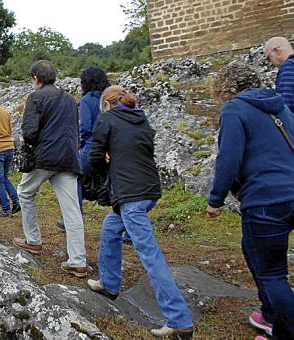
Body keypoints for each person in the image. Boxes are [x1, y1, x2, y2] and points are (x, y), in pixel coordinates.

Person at [86, 85, 193, 338]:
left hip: (130, 195)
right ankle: (109, 283)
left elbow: (93, 158)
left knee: (150, 254)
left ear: (107, 104)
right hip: (149, 191)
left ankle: (179, 319)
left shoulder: (107, 118)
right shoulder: (141, 119)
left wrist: (106, 160)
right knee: (111, 228)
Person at [206, 62, 294, 340]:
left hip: (266, 200)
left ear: (225, 87)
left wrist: (215, 199)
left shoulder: (234, 109)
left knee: (272, 273)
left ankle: (283, 331)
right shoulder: (280, 106)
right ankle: (270, 313)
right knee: (251, 248)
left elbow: (229, 159)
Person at [11, 60, 87, 278]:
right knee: (71, 209)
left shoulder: (35, 97)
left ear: (36, 78)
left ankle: (33, 240)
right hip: (70, 158)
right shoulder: (70, 100)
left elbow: (30, 132)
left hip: (45, 158)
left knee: (24, 192)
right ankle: (78, 261)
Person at [57, 66, 110, 230]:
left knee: (74, 176)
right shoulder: (107, 98)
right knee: (117, 184)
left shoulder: (87, 100)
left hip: (92, 146)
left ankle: (73, 218)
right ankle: (127, 229)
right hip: (111, 148)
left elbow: (86, 127)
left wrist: (80, 145)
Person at [264, 37, 294, 112]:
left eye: (268, 58)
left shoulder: (288, 67)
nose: (270, 62)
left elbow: (286, 104)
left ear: (277, 51)